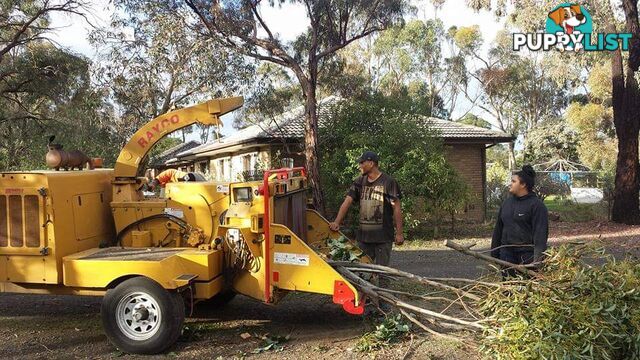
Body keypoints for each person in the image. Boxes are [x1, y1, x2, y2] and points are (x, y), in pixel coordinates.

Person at [329, 151, 404, 267]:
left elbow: (397, 209)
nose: (360, 166)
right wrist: (336, 222)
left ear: (371, 163)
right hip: (364, 239)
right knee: (362, 272)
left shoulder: (389, 182)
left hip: (383, 239)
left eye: (362, 163)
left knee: (382, 272)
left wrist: (399, 233)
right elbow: (347, 201)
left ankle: (382, 286)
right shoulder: (360, 182)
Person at [491, 165, 549, 277]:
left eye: (513, 181)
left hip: (527, 255)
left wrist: (537, 260)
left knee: (526, 289)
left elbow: (540, 234)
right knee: (508, 287)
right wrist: (494, 253)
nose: (510, 184)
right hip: (506, 253)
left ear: (523, 184)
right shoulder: (506, 203)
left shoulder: (536, 205)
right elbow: (498, 228)